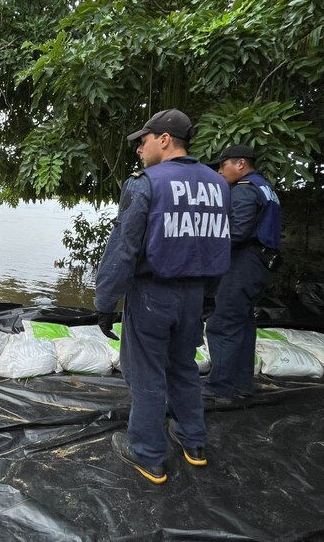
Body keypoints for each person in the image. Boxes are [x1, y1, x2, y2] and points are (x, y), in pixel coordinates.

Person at [95, 109, 231, 484]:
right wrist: (208, 300)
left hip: (152, 295)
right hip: (194, 295)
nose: (140, 148)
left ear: (165, 140)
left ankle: (148, 455)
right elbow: (220, 245)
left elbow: (123, 249)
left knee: (147, 375)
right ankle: (194, 442)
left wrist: (105, 303)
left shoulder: (145, 183)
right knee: (183, 367)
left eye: (144, 140)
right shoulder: (218, 184)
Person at [203, 145, 281, 403]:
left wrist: (206, 253)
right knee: (244, 323)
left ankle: (219, 387)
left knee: (222, 322)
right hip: (261, 262)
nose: (219, 170)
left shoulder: (245, 188)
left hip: (244, 261)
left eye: (222, 164)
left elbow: (236, 232)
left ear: (240, 164)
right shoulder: (264, 187)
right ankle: (241, 382)